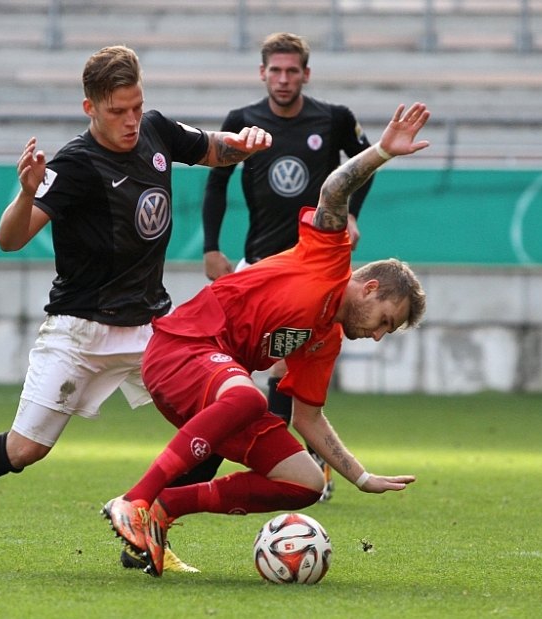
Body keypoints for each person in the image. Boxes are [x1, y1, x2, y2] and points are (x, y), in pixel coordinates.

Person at [0, 45, 271, 571]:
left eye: (136, 107)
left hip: (152, 328)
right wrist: (25, 194)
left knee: (216, 420)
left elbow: (214, 148)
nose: (131, 121)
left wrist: (245, 144)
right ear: (90, 108)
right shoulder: (75, 164)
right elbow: (10, 239)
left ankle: (147, 533)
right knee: (24, 450)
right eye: (117, 111)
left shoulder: (156, 130)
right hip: (80, 330)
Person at [104, 102, 430, 578]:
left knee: (305, 482)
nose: (379, 335)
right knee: (249, 398)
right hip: (182, 347)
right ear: (370, 288)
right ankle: (135, 500)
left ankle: (163, 509)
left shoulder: (325, 339)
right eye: (385, 320)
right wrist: (381, 151)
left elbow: (308, 418)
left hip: (214, 383)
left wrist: (360, 477)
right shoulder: (329, 257)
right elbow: (334, 190)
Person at [198, 33, 376, 501]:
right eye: (275, 70)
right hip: (259, 266)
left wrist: (352, 213)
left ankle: (288, 465)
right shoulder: (243, 120)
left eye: (291, 71)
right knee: (230, 374)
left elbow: (364, 166)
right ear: (262, 73)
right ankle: (287, 461)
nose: (283, 79)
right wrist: (212, 247)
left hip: (312, 273)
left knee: (283, 370)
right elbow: (216, 183)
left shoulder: (334, 119)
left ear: (306, 74)